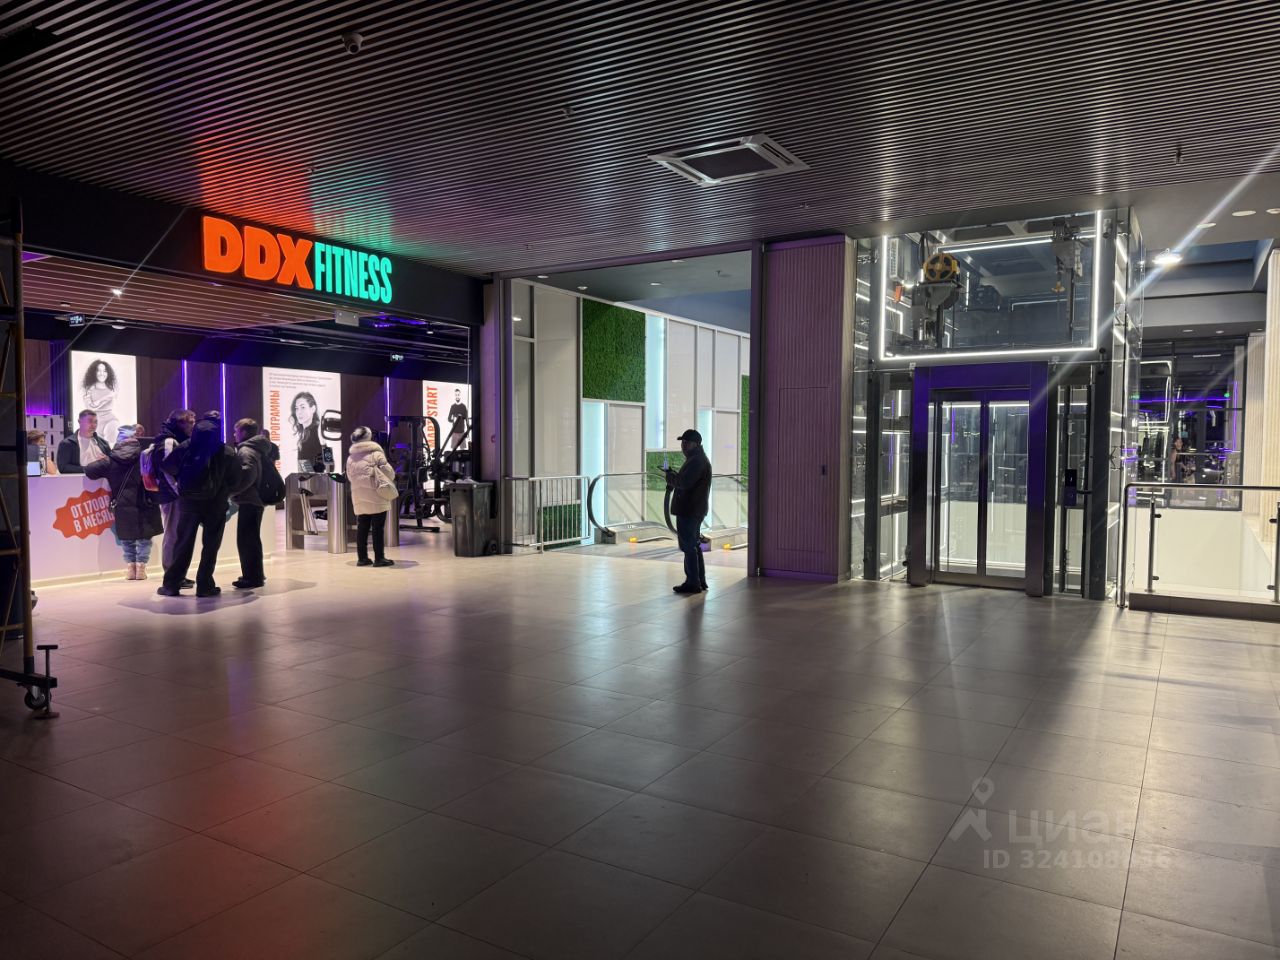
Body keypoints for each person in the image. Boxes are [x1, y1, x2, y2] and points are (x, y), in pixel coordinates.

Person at [158, 411, 254, 598]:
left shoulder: (186, 446)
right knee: (211, 546)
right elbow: (237, 480)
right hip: (215, 504)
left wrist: (179, 486)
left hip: (188, 504)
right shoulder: (226, 451)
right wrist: (225, 492)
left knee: (182, 544)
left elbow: (167, 467)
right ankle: (205, 585)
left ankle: (171, 584)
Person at [85, 424, 163, 580]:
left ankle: (130, 568)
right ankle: (141, 568)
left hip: (122, 504)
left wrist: (101, 459)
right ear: (135, 439)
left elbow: (90, 471)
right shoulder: (145, 456)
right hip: (145, 501)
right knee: (145, 537)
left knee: (127, 537)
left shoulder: (110, 460)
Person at [147, 409, 196, 586]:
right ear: (180, 423)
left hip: (174, 494)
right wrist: (178, 490)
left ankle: (177, 574)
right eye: (190, 422)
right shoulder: (169, 441)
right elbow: (167, 469)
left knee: (177, 534)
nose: (193, 425)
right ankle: (171, 574)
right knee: (173, 534)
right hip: (172, 495)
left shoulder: (173, 439)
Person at [665, 428, 712, 595]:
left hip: (689, 509)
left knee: (689, 546)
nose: (683, 446)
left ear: (696, 444)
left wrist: (670, 476)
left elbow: (684, 482)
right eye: (682, 442)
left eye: (686, 443)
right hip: (693, 509)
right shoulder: (696, 459)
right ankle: (699, 580)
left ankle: (693, 582)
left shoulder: (697, 461)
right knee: (693, 545)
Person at [230, 418, 274, 589]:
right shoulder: (259, 448)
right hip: (256, 499)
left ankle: (252, 577)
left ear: (243, 432)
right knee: (252, 539)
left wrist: (232, 491)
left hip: (249, 499)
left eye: (236, 431)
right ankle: (255, 574)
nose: (234, 434)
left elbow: (247, 476)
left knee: (247, 540)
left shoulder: (246, 451)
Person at [345, 426, 396, 567]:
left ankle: (362, 558)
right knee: (377, 528)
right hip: (377, 495)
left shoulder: (350, 458)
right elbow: (390, 473)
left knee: (362, 527)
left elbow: (350, 477)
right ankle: (379, 558)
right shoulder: (376, 454)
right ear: (368, 437)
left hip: (359, 496)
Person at [55, 410, 110, 474]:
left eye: (95, 422)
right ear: (79, 422)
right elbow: (63, 468)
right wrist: (90, 469)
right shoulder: (67, 444)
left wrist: (108, 460)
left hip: (103, 479)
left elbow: (112, 464)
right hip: (78, 480)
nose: (93, 425)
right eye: (90, 421)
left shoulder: (104, 443)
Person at [81, 359, 121, 445]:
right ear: (94, 372)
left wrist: (99, 401)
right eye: (99, 370)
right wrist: (107, 397)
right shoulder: (88, 389)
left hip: (110, 419)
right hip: (94, 421)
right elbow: (91, 407)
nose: (102, 373)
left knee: (111, 441)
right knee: (97, 447)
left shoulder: (112, 388)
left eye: (105, 371)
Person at [290, 391, 323, 469]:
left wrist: (324, 444)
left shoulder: (317, 431)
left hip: (313, 476)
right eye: (296, 408)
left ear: (313, 409)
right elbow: (304, 468)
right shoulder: (305, 434)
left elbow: (329, 466)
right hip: (308, 476)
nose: (299, 412)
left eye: (303, 407)